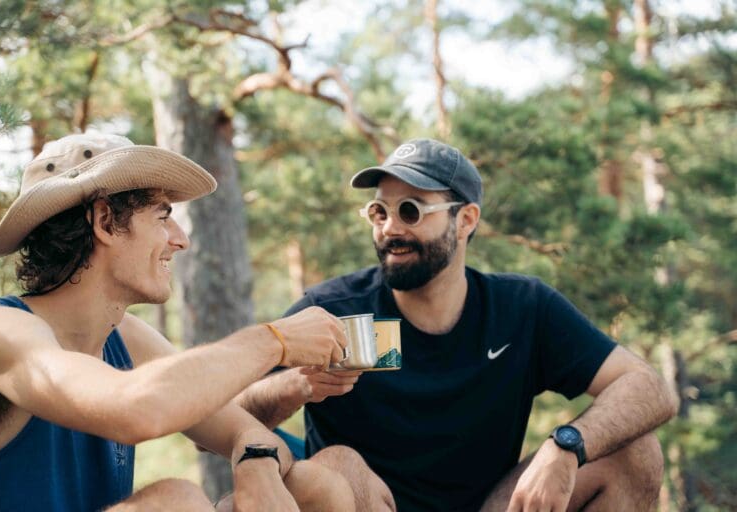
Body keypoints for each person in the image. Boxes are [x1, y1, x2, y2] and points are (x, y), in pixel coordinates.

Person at [235, 138, 679, 511]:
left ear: (465, 220)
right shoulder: (329, 308)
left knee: (633, 451)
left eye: (410, 211)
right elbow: (224, 417)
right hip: (371, 501)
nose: (390, 228)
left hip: (490, 505)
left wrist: (566, 444)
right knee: (336, 463)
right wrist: (294, 385)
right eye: (378, 212)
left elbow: (650, 387)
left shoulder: (522, 307)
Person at [0, 132, 392, 512]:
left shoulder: (124, 336)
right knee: (177, 502)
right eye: (161, 216)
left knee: (324, 479)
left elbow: (244, 430)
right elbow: (136, 409)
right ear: (104, 222)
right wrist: (275, 340)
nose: (181, 239)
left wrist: (256, 463)